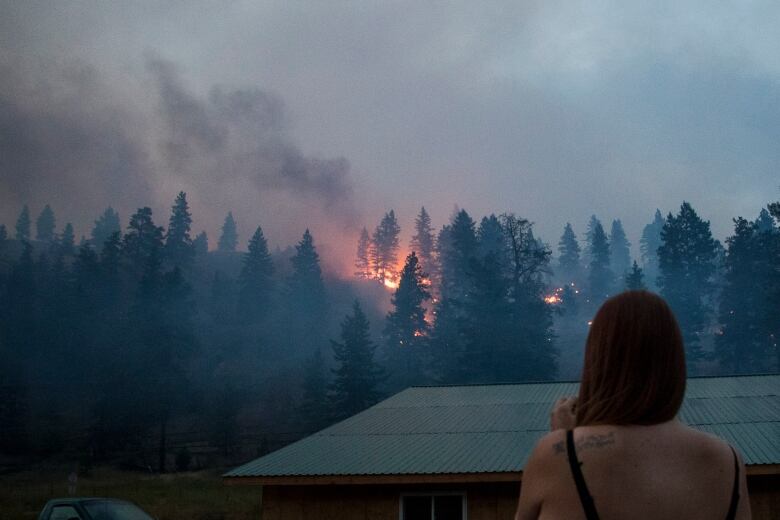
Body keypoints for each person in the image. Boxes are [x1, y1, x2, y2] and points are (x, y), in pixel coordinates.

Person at [515, 290, 751, 520]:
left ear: (599, 361)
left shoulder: (555, 454)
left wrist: (568, 441)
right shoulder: (728, 461)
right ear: (673, 362)